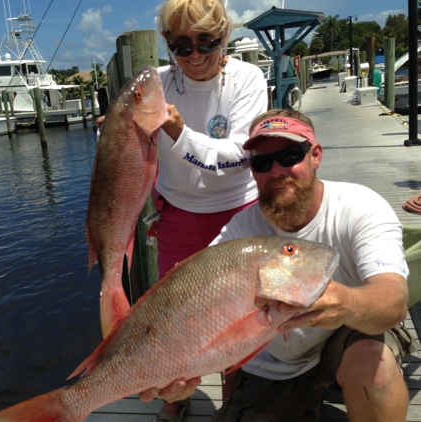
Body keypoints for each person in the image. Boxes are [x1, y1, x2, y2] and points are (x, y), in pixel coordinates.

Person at [140, 108, 419, 421]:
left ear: (315, 155)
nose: (276, 171)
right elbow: (196, 313)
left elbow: (393, 300)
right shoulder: (239, 233)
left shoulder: (361, 207)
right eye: (261, 163)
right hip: (277, 361)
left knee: (373, 367)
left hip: (351, 332)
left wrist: (348, 303)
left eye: (290, 156)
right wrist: (179, 372)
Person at [148, 1, 267, 420]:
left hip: (238, 212)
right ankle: (174, 397)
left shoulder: (248, 78)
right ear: (167, 43)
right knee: (172, 317)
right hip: (176, 215)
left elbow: (241, 153)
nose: (195, 55)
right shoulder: (154, 84)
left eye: (207, 42)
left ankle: (232, 400)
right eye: (182, 45)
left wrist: (180, 133)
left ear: (225, 36)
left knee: (239, 318)